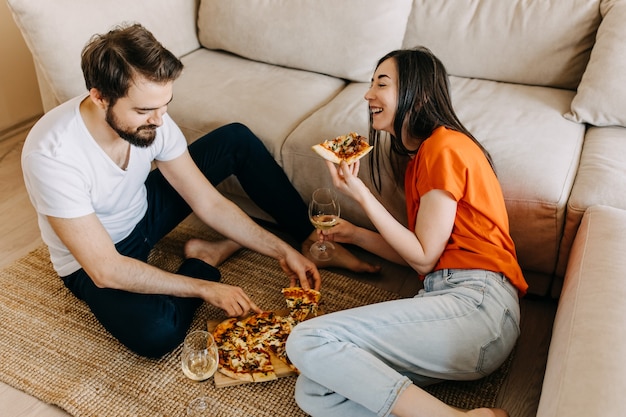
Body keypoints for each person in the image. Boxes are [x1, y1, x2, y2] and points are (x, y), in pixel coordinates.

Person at [21, 23, 376, 358]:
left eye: (165, 106)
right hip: (94, 259)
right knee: (157, 332)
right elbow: (106, 269)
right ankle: (203, 258)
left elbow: (206, 200)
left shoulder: (153, 120)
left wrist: (281, 251)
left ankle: (309, 240)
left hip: (143, 212)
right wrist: (206, 287)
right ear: (100, 97)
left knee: (235, 140)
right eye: (145, 110)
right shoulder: (52, 155)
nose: (159, 121)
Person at [285, 47, 528, 417]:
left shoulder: (443, 147)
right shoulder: (420, 162)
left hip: (478, 307)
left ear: (421, 94)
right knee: (316, 391)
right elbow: (420, 252)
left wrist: (360, 192)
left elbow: (424, 256)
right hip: (455, 314)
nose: (368, 94)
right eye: (370, 83)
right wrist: (354, 235)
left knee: (308, 338)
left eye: (381, 83)